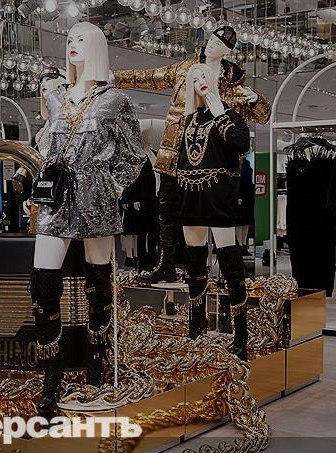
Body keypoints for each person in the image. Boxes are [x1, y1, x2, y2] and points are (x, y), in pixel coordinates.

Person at [30, 22, 145, 416]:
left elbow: (134, 155)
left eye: (81, 40)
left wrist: (111, 185)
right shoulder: (56, 97)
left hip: (96, 199)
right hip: (57, 199)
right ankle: (51, 378)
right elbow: (48, 145)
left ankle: (97, 363)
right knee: (43, 285)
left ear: (96, 47)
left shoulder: (115, 100)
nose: (72, 45)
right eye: (69, 40)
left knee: (99, 285)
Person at [114, 26, 271, 284]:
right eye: (212, 39)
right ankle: (167, 265)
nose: (212, 44)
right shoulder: (185, 70)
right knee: (168, 211)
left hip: (215, 164)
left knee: (216, 219)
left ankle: (228, 274)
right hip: (176, 155)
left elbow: (263, 116)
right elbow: (151, 76)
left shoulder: (234, 85)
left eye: (220, 43)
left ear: (228, 51)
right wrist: (114, 78)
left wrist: (256, 99)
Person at [176, 64, 251, 361]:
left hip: (218, 195)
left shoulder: (229, 115)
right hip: (190, 195)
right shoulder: (188, 119)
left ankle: (240, 333)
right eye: (194, 79)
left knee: (230, 263)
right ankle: (196, 324)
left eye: (203, 77)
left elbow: (241, 143)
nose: (200, 82)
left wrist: (220, 113)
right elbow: (180, 157)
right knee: (194, 264)